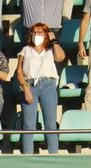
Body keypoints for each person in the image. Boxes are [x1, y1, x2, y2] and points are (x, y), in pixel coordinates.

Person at [17, 24, 63, 153]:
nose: (37, 34)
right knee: (28, 125)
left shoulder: (50, 50)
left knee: (50, 124)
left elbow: (60, 58)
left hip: (48, 84)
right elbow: (19, 71)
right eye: (35, 32)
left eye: (41, 32)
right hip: (30, 85)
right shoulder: (26, 49)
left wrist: (54, 41)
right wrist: (25, 89)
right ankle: (28, 156)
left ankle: (53, 155)